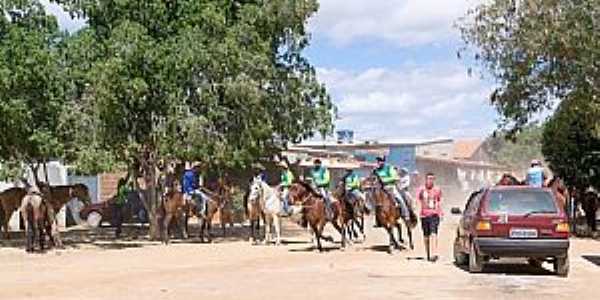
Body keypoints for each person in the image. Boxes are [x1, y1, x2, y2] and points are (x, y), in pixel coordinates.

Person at [417, 173, 443, 262]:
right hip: (424, 215)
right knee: (426, 236)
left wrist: (440, 212)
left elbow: (439, 201)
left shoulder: (437, 190)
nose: (430, 181)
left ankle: (434, 253)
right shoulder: (421, 189)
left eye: (432, 179)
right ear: (425, 180)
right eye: (428, 179)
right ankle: (428, 253)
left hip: (434, 214)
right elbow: (418, 199)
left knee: (434, 233)